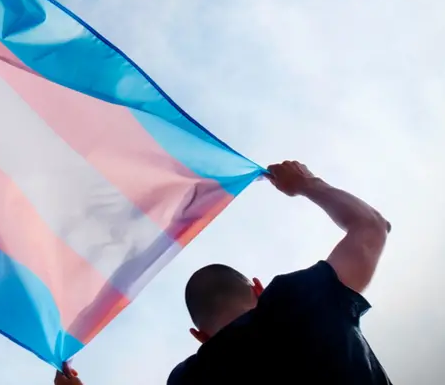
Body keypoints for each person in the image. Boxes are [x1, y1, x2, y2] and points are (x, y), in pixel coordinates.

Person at [53, 160, 392, 385]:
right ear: (259, 290)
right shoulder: (301, 297)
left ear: (199, 335)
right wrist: (306, 184)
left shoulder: (188, 380)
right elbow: (372, 227)